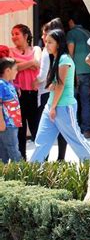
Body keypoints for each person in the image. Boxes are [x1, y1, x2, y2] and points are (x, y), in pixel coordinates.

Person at [30, 29, 90, 163]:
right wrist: (51, 104)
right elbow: (56, 84)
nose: (46, 45)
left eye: (50, 42)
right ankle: (32, 171)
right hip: (52, 107)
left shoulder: (64, 59)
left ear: (58, 43)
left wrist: (52, 107)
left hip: (63, 107)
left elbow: (60, 85)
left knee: (75, 139)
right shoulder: (57, 58)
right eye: (46, 42)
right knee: (41, 141)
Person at [35, 18, 68, 160]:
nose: (43, 37)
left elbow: (43, 75)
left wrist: (33, 81)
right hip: (56, 93)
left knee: (46, 128)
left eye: (44, 34)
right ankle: (60, 158)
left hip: (47, 93)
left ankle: (45, 159)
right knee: (61, 129)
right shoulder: (62, 55)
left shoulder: (47, 52)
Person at [9, 24, 42, 159]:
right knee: (20, 130)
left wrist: (18, 63)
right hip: (18, 94)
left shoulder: (36, 48)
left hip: (35, 94)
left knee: (37, 128)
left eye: (17, 34)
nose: (13, 37)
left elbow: (39, 63)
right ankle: (22, 159)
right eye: (12, 34)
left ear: (26, 36)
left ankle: (41, 159)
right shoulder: (10, 50)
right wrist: (31, 62)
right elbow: (12, 67)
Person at [66, 14, 90, 138]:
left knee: (72, 101)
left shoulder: (71, 33)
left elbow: (71, 52)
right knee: (85, 101)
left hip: (76, 72)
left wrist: (70, 70)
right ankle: (86, 129)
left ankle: (73, 128)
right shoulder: (88, 33)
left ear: (72, 21)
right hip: (88, 71)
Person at [0, 58, 22, 163]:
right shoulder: (1, 84)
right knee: (14, 151)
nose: (17, 72)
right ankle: (22, 175)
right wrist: (1, 121)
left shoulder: (8, 84)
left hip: (12, 124)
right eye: (15, 69)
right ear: (8, 70)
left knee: (4, 152)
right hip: (7, 125)